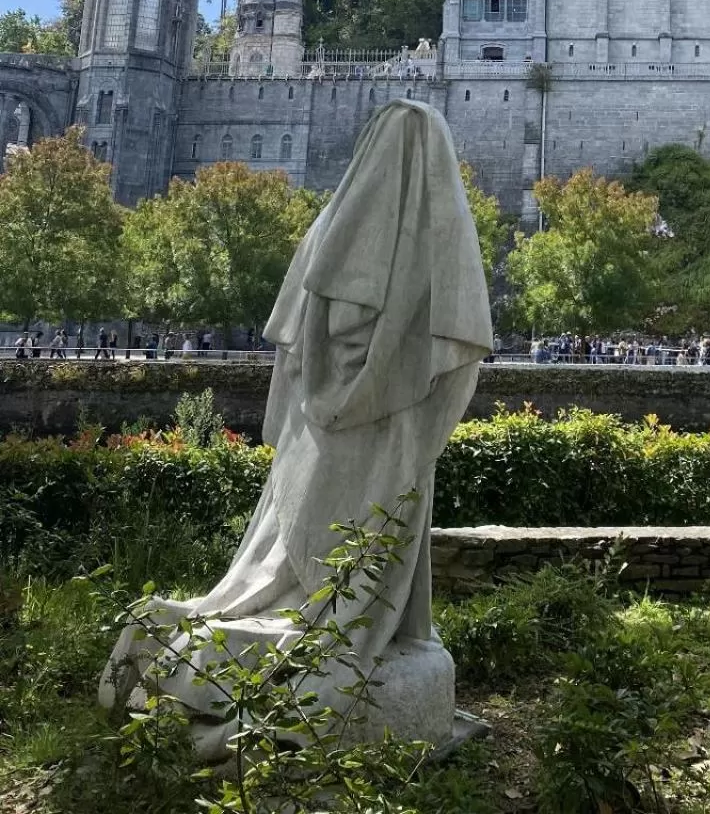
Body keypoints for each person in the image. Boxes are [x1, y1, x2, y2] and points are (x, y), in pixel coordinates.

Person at [101, 99, 493, 758]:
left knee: (283, 568)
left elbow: (296, 344)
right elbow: (456, 345)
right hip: (385, 438)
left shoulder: (329, 231)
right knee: (370, 550)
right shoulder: (432, 246)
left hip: (317, 444)